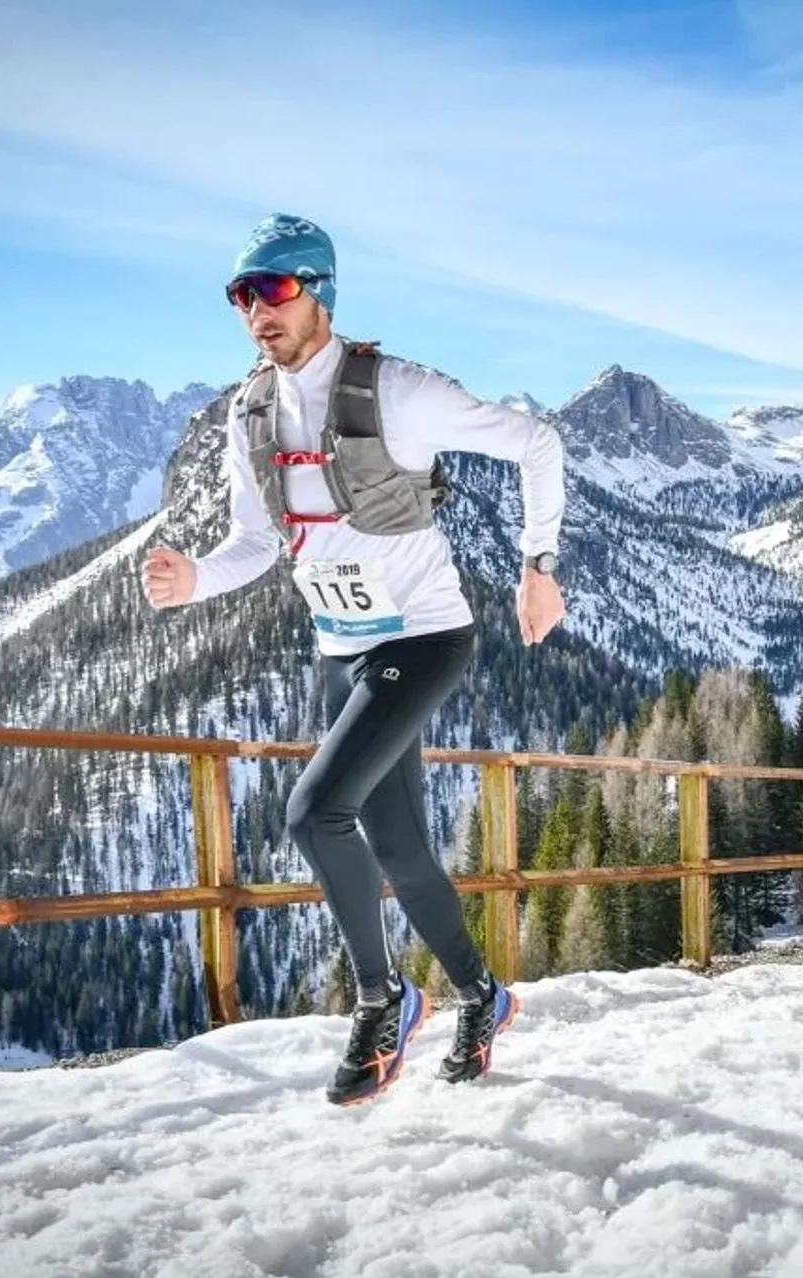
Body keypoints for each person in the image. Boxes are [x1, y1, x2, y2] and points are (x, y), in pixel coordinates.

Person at [141, 213, 567, 1105]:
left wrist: (538, 568)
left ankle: (384, 1001)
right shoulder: (248, 414)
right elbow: (256, 543)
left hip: (422, 637)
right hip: (339, 649)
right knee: (402, 847)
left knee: (315, 812)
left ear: (320, 294)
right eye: (242, 295)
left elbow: (538, 444)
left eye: (278, 289)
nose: (259, 311)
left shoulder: (397, 391)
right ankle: (482, 996)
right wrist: (195, 579)